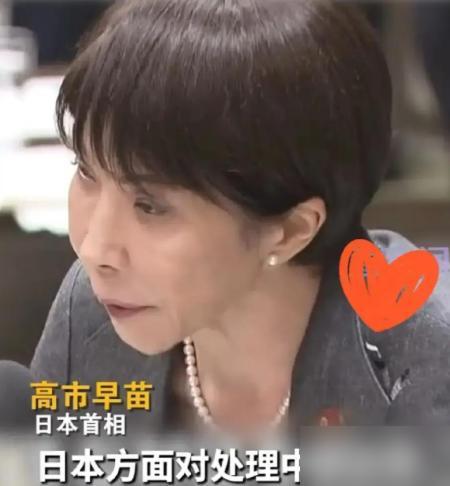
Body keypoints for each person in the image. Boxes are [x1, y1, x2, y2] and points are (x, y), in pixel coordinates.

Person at [30, 0, 450, 435]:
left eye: (150, 206)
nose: (94, 250)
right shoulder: (91, 314)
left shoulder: (429, 363)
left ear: (290, 231)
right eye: (86, 170)